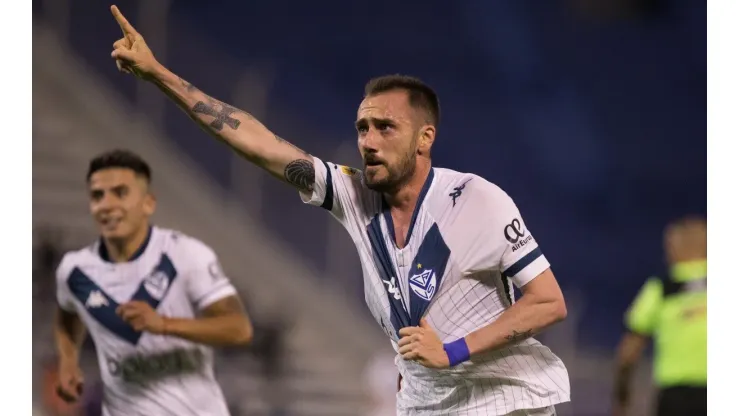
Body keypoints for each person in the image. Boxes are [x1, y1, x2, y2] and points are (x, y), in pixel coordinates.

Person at [108, 6, 570, 414]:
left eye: (385, 127)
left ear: (425, 138)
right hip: (427, 404)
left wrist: (452, 351)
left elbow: (548, 302)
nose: (368, 141)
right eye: (362, 127)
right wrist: (160, 76)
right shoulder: (353, 195)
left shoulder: (476, 200)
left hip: (505, 401)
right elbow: (260, 145)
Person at [54, 149, 253, 416]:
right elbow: (67, 315)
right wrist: (68, 362)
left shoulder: (184, 254)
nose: (107, 204)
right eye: (97, 196)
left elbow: (239, 329)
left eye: (120, 193)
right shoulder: (75, 270)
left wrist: (164, 324)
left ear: (148, 203)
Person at [613, 217, 707, 416]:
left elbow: (628, 352)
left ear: (674, 248)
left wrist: (622, 398)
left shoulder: (660, 289)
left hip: (675, 398)